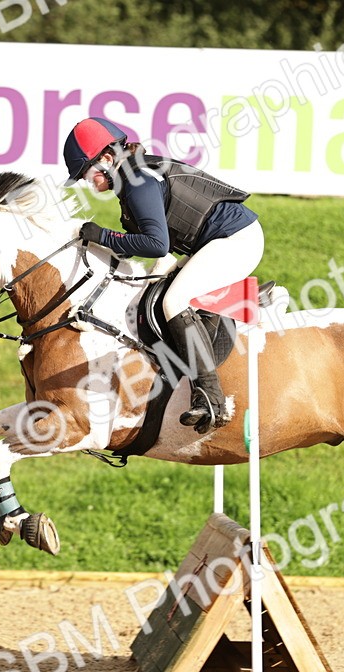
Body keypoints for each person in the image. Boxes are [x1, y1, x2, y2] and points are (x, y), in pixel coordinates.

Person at [62, 117, 264, 434]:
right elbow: (136, 246)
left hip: (236, 240)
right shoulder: (131, 177)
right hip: (211, 243)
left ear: (105, 158)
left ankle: (211, 397)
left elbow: (157, 245)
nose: (88, 182)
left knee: (174, 301)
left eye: (86, 173)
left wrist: (101, 235)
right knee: (155, 291)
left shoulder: (139, 180)